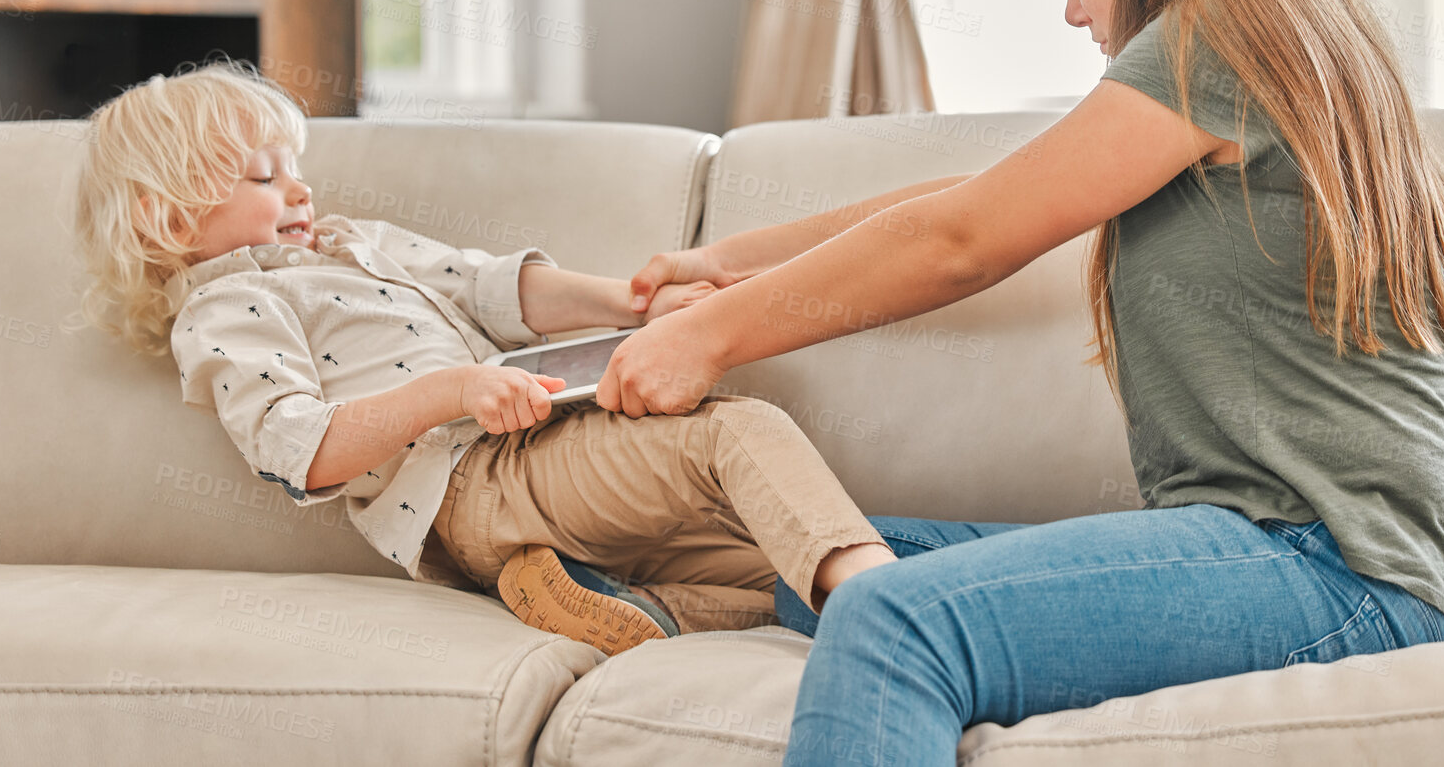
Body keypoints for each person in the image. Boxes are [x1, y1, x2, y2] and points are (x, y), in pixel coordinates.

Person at [602, 0, 1444, 763]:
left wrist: (713, 334)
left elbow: (963, 243)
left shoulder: (1225, 41)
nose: (1072, 9)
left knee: (889, 616)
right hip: (1285, 556)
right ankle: (645, 609)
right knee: (836, 554)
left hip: (1330, 573)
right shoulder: (1274, 35)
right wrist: (736, 264)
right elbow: (978, 199)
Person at [69, 60, 896, 657]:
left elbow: (489, 287)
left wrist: (632, 303)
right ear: (169, 221)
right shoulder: (224, 310)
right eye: (264, 176)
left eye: (296, 170)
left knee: (766, 558)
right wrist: (452, 389)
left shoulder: (351, 243)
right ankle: (889, 611)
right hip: (474, 483)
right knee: (735, 431)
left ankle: (640, 608)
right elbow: (301, 450)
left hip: (531, 476)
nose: (300, 192)